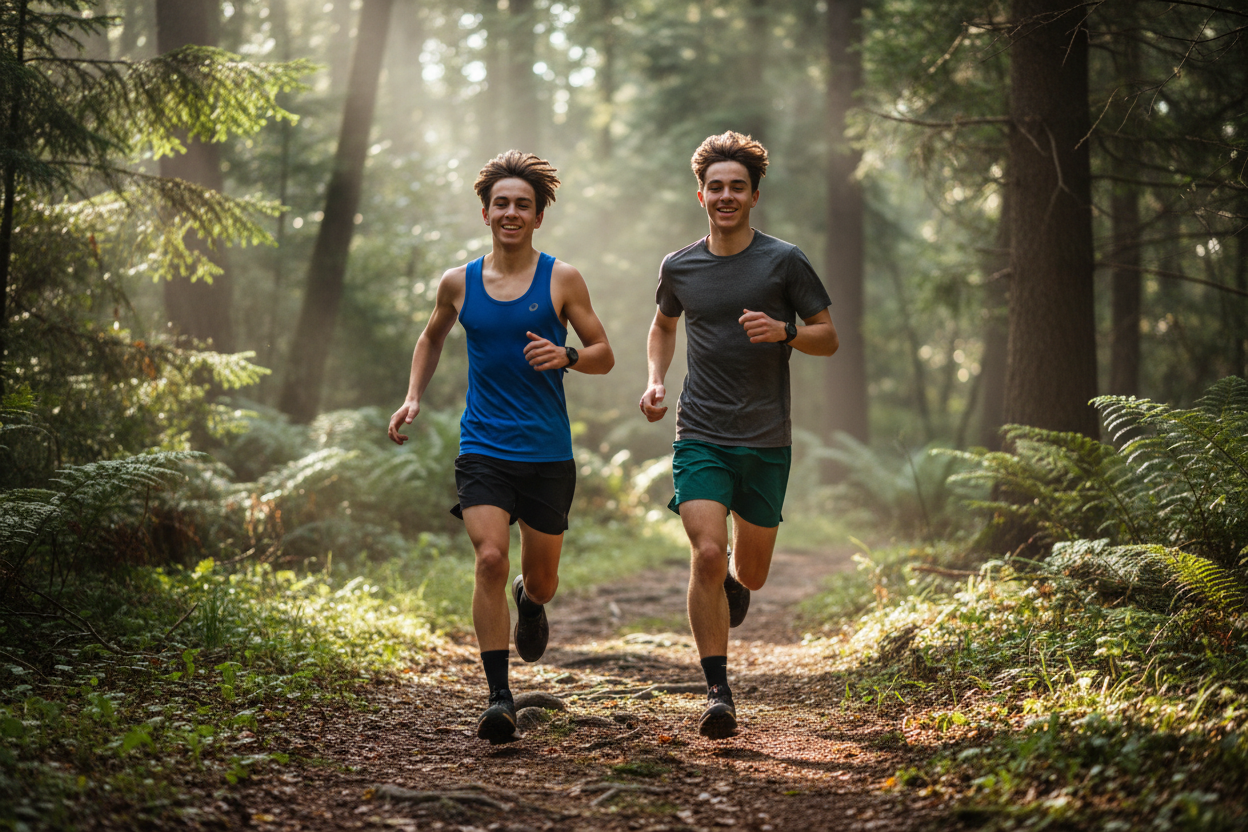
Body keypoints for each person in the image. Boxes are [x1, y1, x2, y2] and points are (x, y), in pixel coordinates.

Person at [389, 150, 614, 744]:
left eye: (523, 204)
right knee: (489, 557)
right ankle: (498, 698)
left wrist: (567, 355)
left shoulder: (562, 279)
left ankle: (530, 602)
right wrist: (413, 396)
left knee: (540, 580)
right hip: (483, 445)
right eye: (501, 203)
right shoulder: (457, 282)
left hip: (546, 454)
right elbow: (431, 337)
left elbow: (603, 354)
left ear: (539, 215)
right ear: (485, 211)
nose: (511, 212)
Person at [639, 131, 839, 739]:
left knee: (749, 574)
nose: (726, 196)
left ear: (754, 196)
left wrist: (785, 333)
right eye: (716, 187)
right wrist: (655, 379)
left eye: (738, 188)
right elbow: (662, 325)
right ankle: (718, 691)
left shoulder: (784, 261)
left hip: (766, 436)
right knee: (703, 550)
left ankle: (734, 578)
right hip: (699, 429)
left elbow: (827, 337)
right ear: (701, 195)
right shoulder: (680, 265)